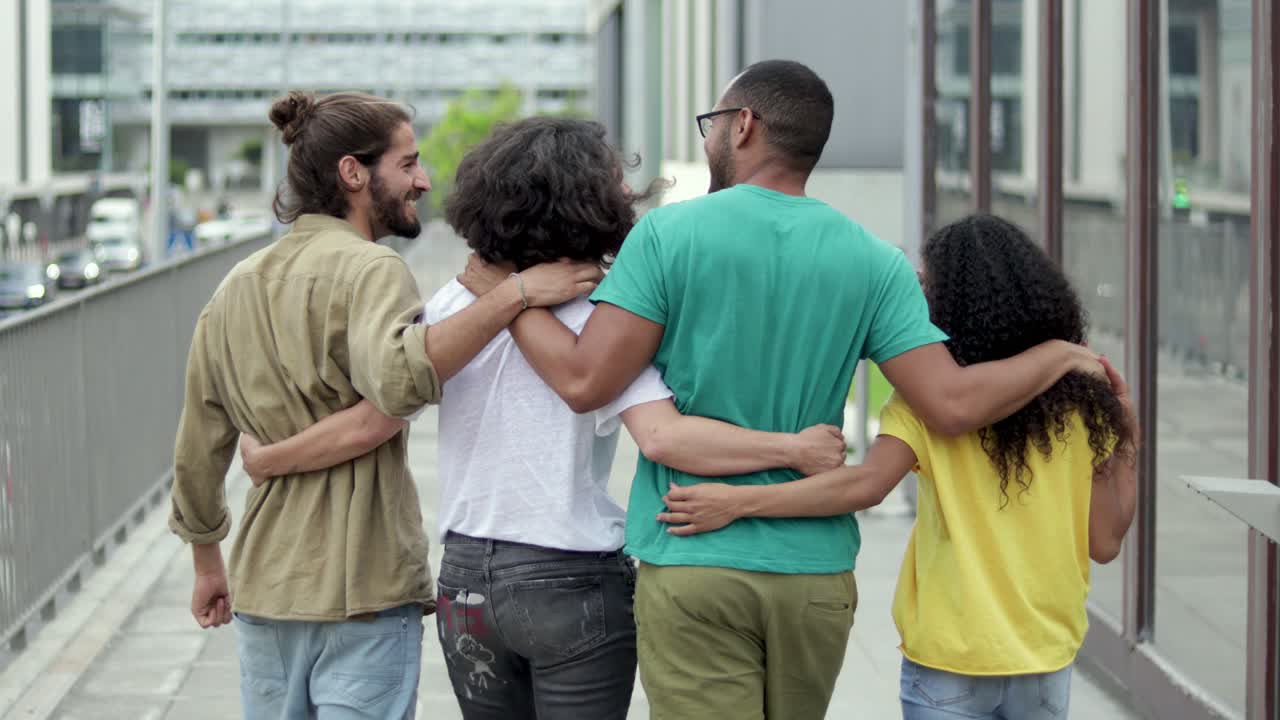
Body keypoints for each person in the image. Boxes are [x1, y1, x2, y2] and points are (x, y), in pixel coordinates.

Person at [455, 60, 1105, 720]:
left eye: (712, 123)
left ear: (743, 125)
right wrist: (1055, 355)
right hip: (814, 576)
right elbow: (953, 403)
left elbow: (583, 379)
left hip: (694, 560)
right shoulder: (875, 261)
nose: (709, 138)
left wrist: (507, 294)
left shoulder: (668, 235)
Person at [238, 116, 848, 720]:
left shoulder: (455, 302)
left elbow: (377, 417)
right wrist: (792, 449)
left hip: (466, 582)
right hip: (571, 573)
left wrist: (269, 458)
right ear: (591, 202)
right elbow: (663, 436)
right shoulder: (606, 318)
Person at [168, 92, 599, 720]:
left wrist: (208, 561)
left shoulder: (235, 285)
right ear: (353, 172)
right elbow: (399, 385)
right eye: (408, 163)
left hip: (265, 585)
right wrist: (517, 293)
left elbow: (198, 442)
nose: (422, 180)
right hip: (361, 585)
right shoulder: (373, 270)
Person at [655, 214, 1140, 720]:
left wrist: (737, 502)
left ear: (957, 304)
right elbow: (1105, 543)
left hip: (950, 660)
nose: (918, 298)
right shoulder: (1084, 403)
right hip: (1044, 659)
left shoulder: (925, 405)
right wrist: (1129, 439)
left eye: (927, 286)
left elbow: (866, 486)